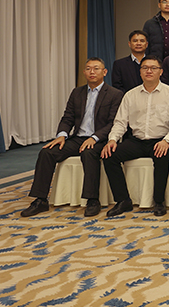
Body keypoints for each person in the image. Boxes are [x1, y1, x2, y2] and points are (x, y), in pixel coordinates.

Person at [20, 58, 124, 218]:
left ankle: (92, 200)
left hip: (100, 139)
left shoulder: (115, 94)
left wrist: (95, 137)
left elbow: (113, 123)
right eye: (88, 68)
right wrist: (62, 135)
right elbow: (67, 117)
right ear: (84, 72)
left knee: (89, 153)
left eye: (96, 68)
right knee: (47, 152)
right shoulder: (77, 92)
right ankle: (40, 200)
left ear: (104, 72)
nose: (92, 72)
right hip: (77, 138)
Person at [102, 55, 169, 217]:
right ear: (140, 72)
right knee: (110, 155)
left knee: (161, 156)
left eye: (153, 68)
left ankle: (159, 201)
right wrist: (112, 139)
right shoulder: (130, 95)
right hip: (137, 141)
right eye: (145, 68)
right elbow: (120, 122)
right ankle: (123, 200)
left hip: (163, 140)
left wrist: (167, 141)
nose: (149, 71)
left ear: (160, 72)